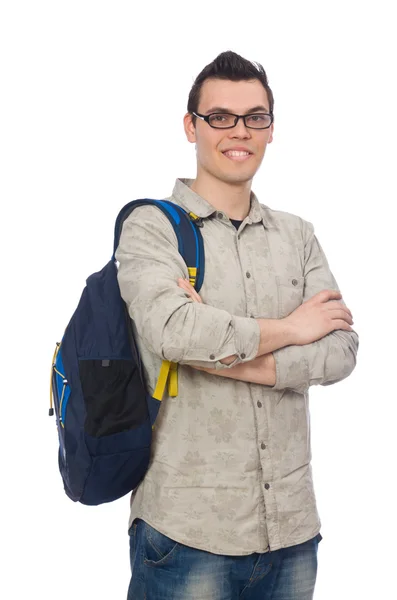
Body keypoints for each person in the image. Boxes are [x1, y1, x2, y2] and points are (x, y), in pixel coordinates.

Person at [116, 50, 359, 600]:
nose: (239, 131)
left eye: (255, 117)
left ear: (271, 130)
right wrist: (295, 329)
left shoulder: (297, 235)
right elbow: (175, 333)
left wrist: (224, 353)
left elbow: (343, 349)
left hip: (293, 533)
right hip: (186, 533)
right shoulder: (151, 228)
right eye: (220, 117)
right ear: (191, 127)